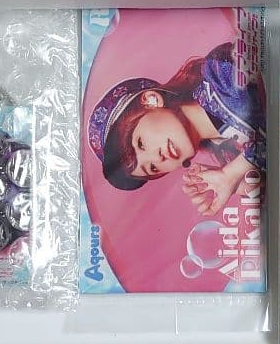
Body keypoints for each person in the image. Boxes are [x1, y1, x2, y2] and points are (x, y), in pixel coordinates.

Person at [88, 43, 266, 216]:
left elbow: (276, 124)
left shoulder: (218, 70)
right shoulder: (229, 155)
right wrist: (238, 185)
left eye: (141, 144)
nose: (158, 158)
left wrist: (231, 173)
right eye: (152, 168)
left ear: (151, 100)